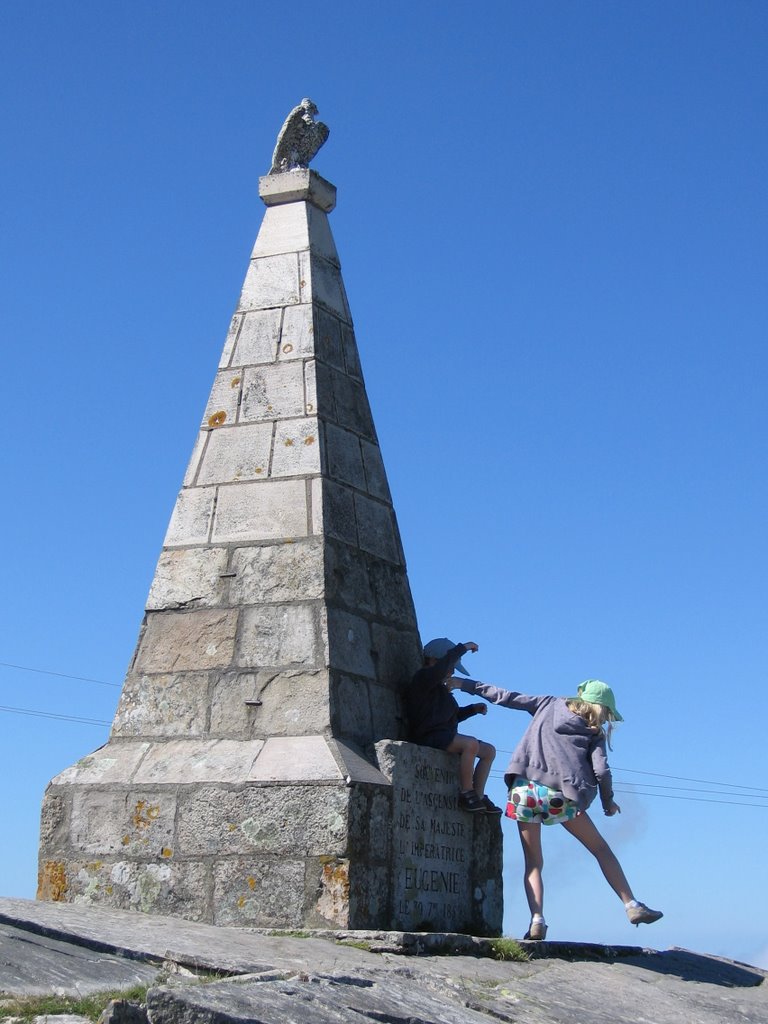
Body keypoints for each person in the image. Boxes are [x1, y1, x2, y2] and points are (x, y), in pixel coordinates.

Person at [452, 676, 663, 938]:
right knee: (600, 848)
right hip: (561, 796)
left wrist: (464, 685)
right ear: (602, 709)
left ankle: (537, 921)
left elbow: (505, 696)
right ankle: (631, 904)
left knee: (533, 863)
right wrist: (608, 802)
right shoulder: (594, 732)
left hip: (524, 792)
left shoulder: (548, 704)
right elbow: (601, 770)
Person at [404, 638, 501, 814]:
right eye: (450, 666)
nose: (451, 671)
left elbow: (451, 718)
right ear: (434, 660)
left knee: (489, 751)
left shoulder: (442, 690)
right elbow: (439, 670)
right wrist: (463, 648)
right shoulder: (422, 679)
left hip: (444, 735)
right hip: (427, 735)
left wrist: (472, 709)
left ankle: (478, 795)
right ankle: (466, 793)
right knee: (470, 744)